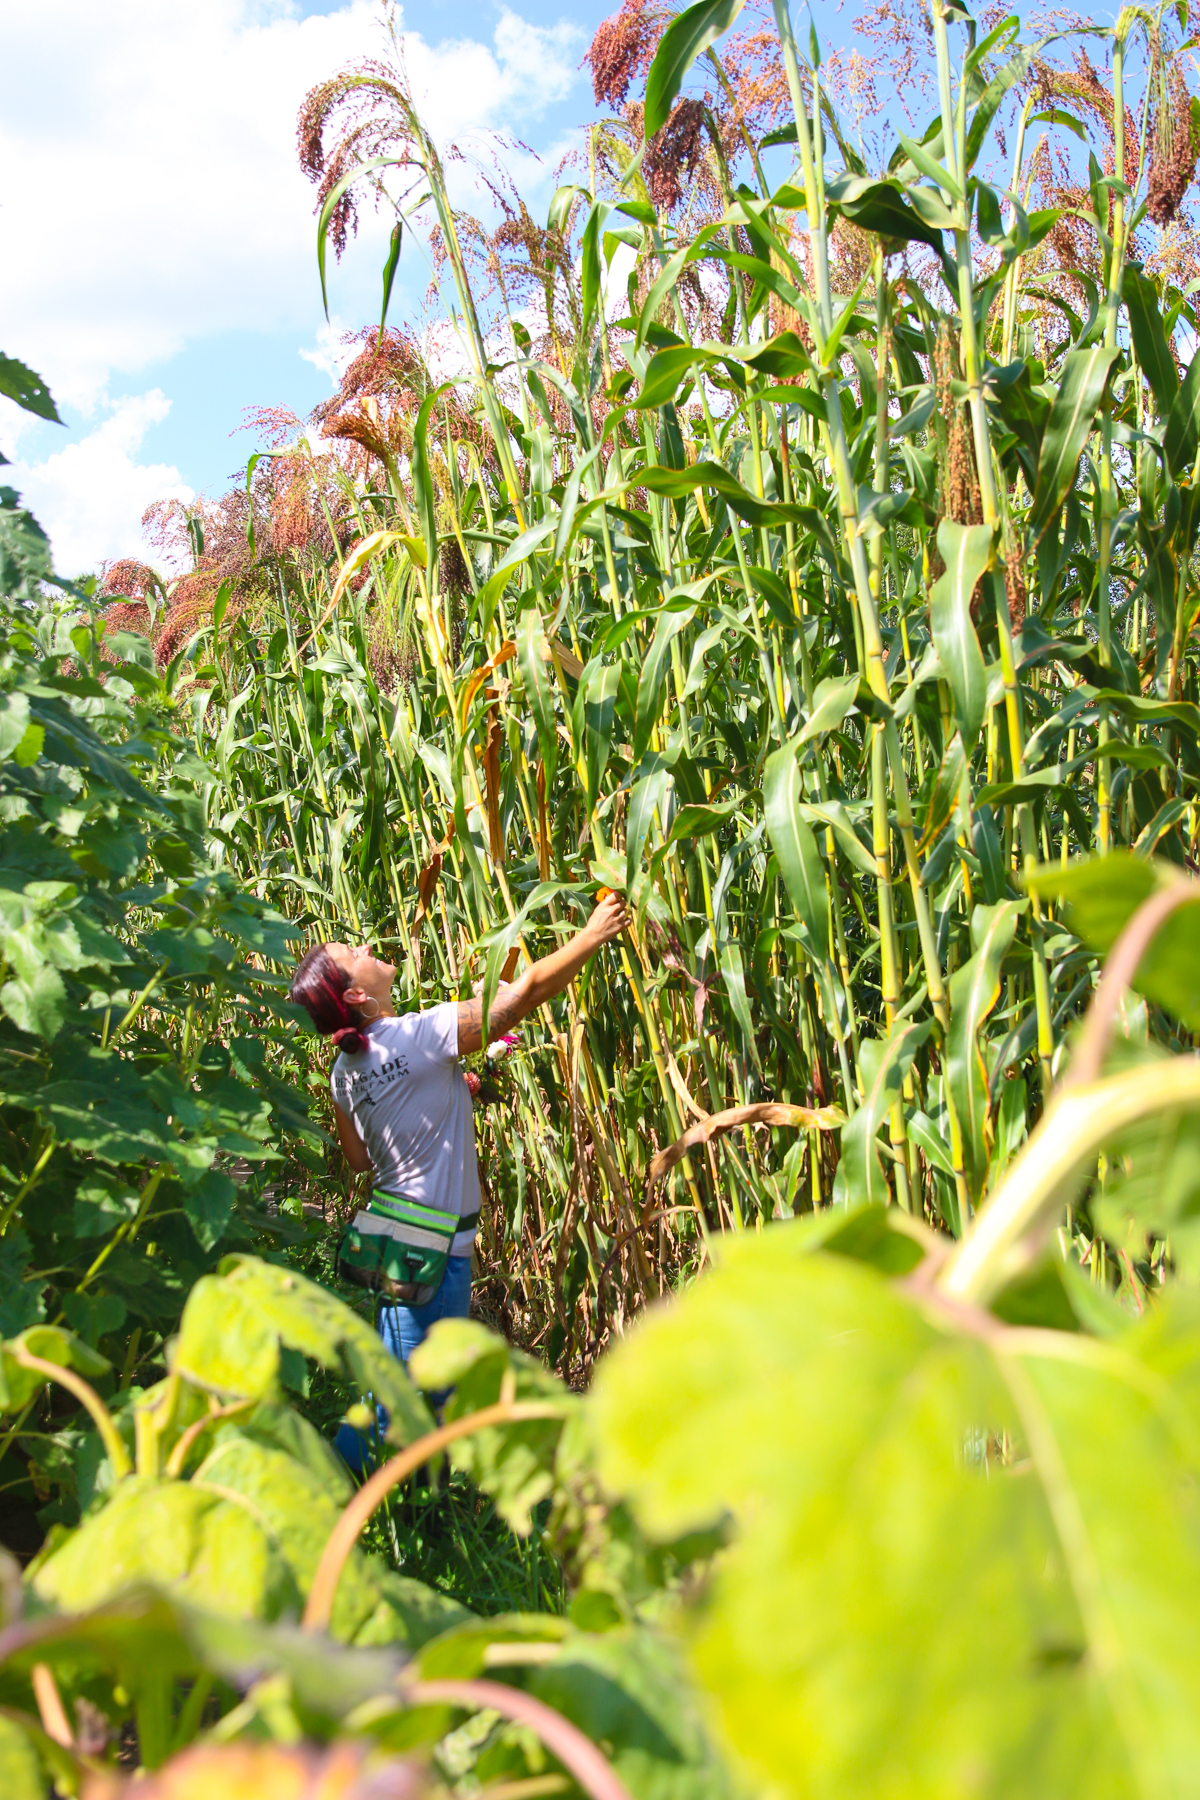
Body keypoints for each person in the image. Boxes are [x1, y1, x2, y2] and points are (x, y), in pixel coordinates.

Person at [288, 891, 629, 1466]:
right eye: (353, 951)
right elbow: (518, 1000)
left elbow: (360, 1160)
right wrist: (592, 935)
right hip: (432, 1248)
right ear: (356, 995)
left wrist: (446, 1095)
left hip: (398, 1239)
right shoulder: (418, 1036)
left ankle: (413, 1502)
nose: (366, 946)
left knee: (409, 1381)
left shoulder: (345, 1069)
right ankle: (332, 1488)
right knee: (408, 1397)